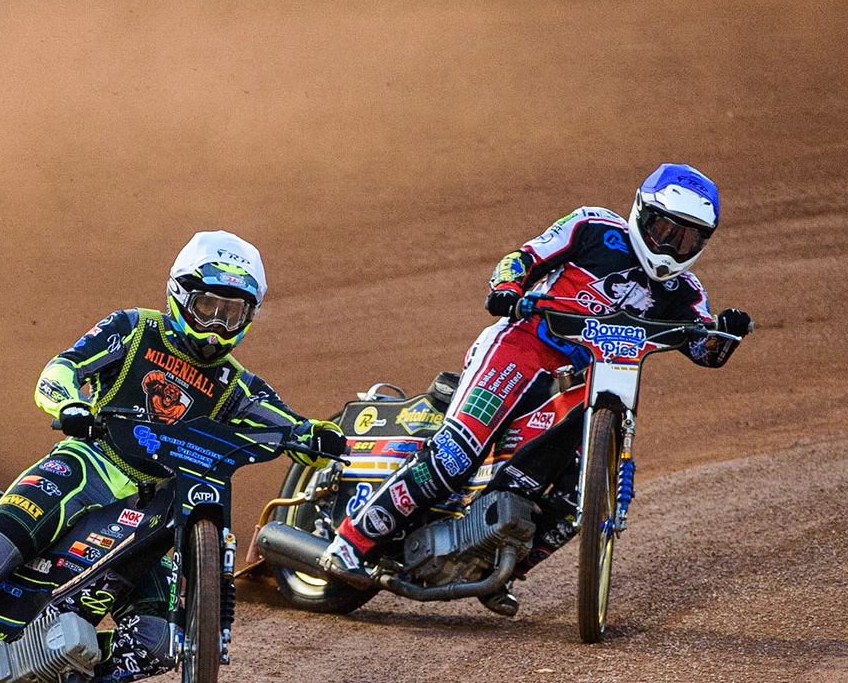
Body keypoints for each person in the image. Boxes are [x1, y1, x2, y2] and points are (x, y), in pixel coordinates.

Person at [0, 230, 345, 683]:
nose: (217, 325)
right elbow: (61, 369)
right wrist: (69, 404)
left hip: (162, 508)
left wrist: (324, 439)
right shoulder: (134, 329)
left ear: (249, 316)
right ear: (180, 294)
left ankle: (25, 677)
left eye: (231, 312)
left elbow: (296, 428)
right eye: (208, 307)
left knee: (157, 643)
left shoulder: (238, 385)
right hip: (86, 467)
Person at [317, 163, 753, 615]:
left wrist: (728, 332)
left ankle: (495, 569)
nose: (671, 247)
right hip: (523, 346)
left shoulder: (684, 291)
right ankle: (350, 542)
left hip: (588, 382)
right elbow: (522, 258)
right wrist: (506, 286)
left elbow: (704, 348)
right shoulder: (593, 228)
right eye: (664, 230)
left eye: (687, 239)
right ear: (641, 214)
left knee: (579, 497)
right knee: (455, 455)